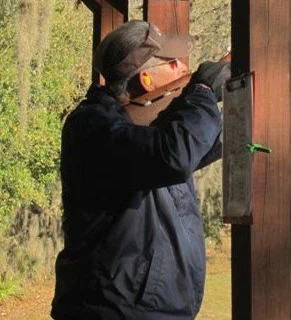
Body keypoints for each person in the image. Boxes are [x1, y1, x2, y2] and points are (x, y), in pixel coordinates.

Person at [51, 20, 230, 319]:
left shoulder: (144, 134)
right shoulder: (94, 127)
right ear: (147, 80)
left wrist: (222, 97)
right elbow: (175, 156)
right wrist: (201, 91)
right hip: (113, 311)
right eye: (173, 62)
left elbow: (203, 144)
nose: (183, 68)